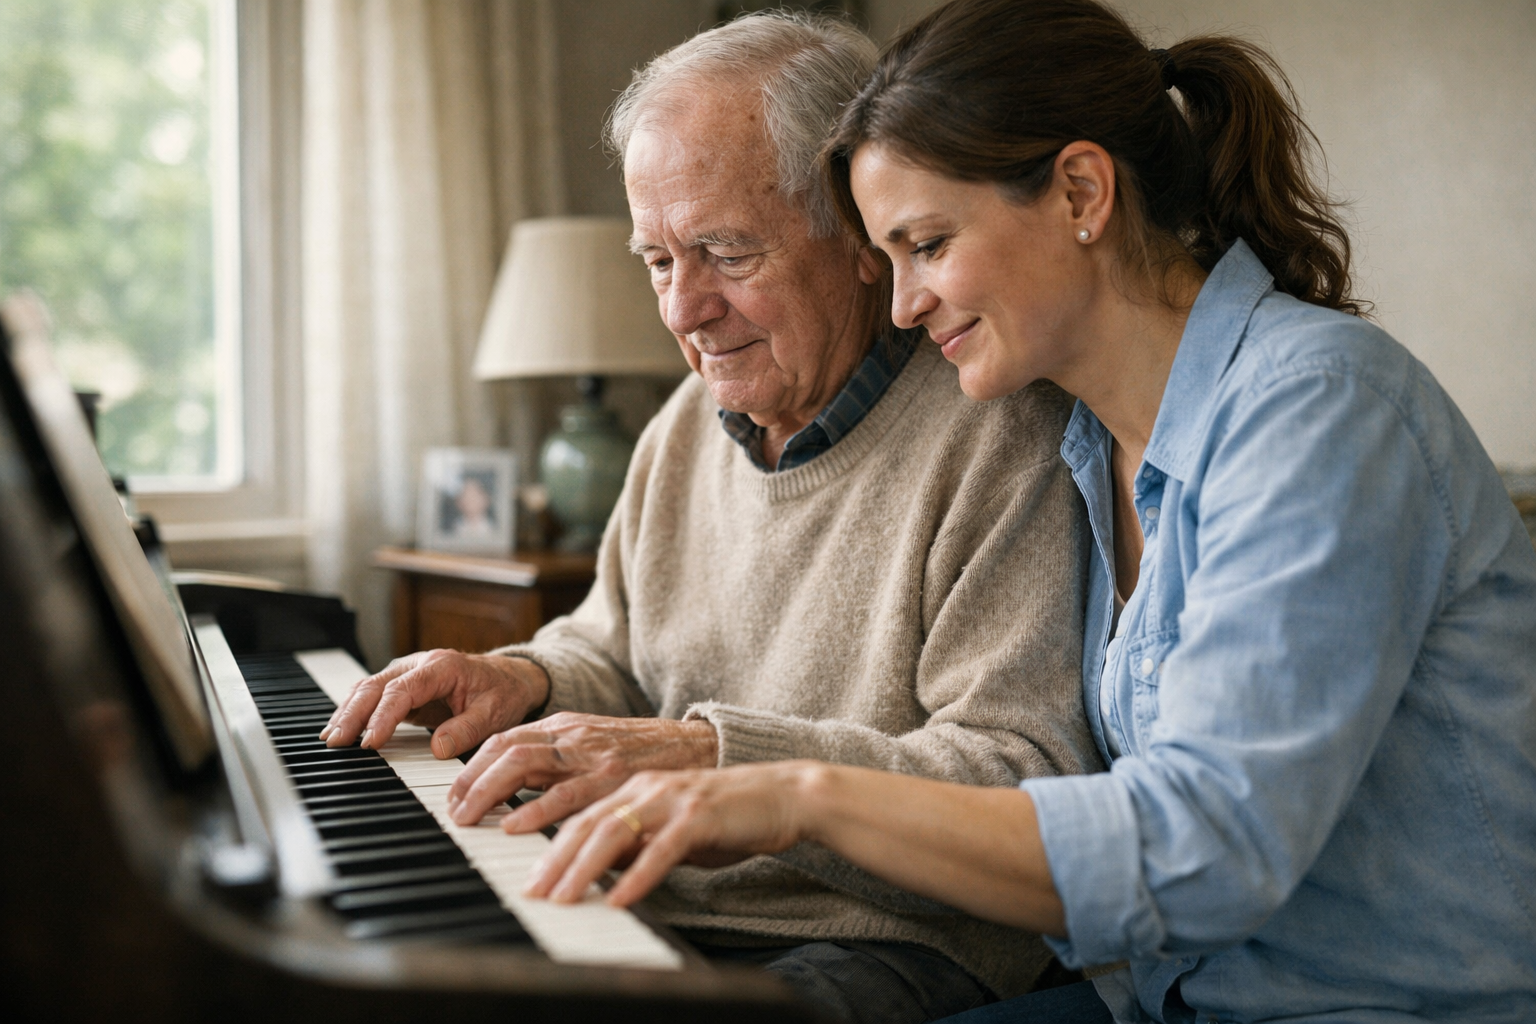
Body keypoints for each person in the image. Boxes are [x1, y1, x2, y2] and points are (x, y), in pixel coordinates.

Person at [515, 1, 1536, 1021]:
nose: (903, 303)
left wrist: (793, 788)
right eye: (891, 251)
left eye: (928, 243)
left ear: (1082, 192)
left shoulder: (1320, 409)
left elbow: (1207, 849)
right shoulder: (1094, 439)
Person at [321, 11, 1103, 1021]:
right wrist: (522, 675)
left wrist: (715, 756)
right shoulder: (691, 419)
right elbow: (614, 642)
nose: (684, 309)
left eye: (726, 253)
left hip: (886, 939)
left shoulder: (1001, 428)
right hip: (661, 891)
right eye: (658, 260)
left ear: (861, 234)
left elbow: (1017, 775)